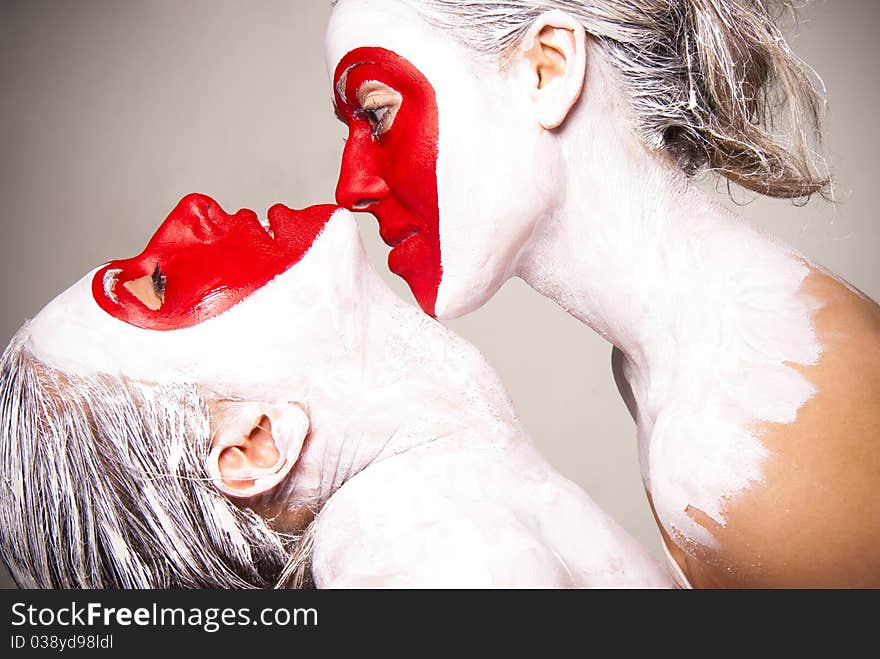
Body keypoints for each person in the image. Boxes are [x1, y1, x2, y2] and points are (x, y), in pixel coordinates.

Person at [326, 0, 880, 587]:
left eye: (378, 114)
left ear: (548, 67)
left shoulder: (748, 412)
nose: (350, 187)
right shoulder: (663, 365)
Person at [0, 193, 672, 588]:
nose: (191, 212)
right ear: (255, 442)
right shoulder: (421, 553)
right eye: (160, 285)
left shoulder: (429, 518)